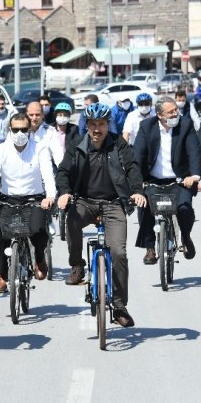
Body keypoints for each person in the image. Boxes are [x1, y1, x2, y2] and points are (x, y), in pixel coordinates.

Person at [56, 103, 146, 328]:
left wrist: (136, 191)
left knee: (119, 252)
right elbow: (64, 171)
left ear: (108, 125)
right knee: (72, 220)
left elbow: (133, 167)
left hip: (113, 203)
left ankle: (119, 306)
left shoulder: (118, 144)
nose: (97, 129)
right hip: (85, 202)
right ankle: (77, 265)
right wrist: (65, 193)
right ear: (87, 125)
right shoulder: (77, 144)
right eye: (93, 124)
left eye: (102, 124)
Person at [0, 112, 56, 292]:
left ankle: (39, 259)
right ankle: (2, 273)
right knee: (2, 237)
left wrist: (50, 196)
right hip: (9, 199)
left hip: (35, 198)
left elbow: (48, 175)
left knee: (39, 231)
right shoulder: (1, 150)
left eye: (23, 129)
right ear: (10, 130)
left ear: (29, 130)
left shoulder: (40, 148)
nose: (19, 133)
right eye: (15, 129)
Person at [134, 96, 201, 264]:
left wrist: (194, 175)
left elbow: (194, 151)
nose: (175, 114)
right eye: (170, 112)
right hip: (153, 179)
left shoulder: (185, 125)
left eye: (176, 110)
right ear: (159, 115)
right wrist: (137, 183)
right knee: (144, 205)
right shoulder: (146, 126)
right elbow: (138, 156)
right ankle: (150, 248)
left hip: (180, 179)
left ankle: (185, 238)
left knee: (184, 209)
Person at [26, 101, 64, 166]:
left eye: (37, 115)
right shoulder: (19, 129)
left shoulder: (51, 131)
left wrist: (62, 172)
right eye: (31, 115)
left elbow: (58, 154)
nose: (34, 118)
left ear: (43, 115)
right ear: (26, 114)